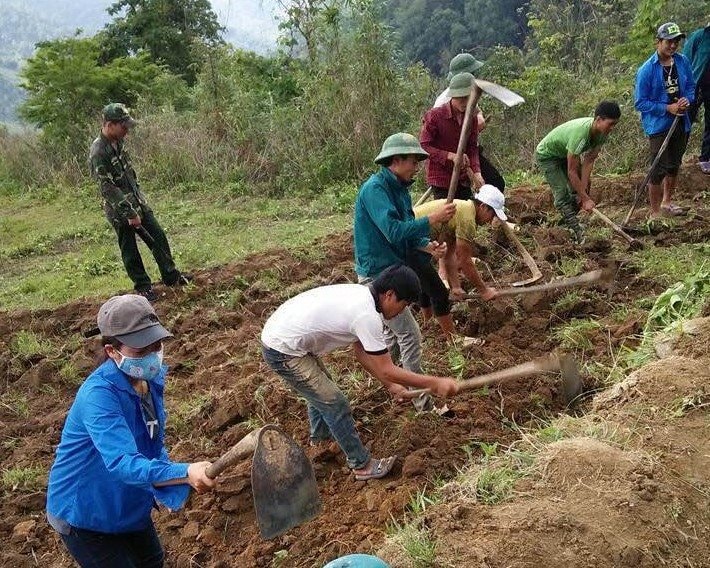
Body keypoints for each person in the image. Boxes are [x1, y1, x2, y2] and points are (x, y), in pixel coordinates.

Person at [46, 294, 216, 568]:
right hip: (86, 513)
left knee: (153, 562)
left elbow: (150, 442)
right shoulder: (99, 396)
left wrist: (177, 479)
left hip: (128, 501)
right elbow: (123, 462)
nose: (152, 356)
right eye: (140, 350)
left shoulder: (150, 379)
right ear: (112, 351)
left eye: (156, 345)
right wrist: (183, 472)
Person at [261, 265, 459, 481]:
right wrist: (434, 383)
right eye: (404, 304)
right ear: (389, 294)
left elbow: (361, 352)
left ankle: (321, 440)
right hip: (282, 349)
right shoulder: (366, 315)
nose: (403, 311)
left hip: (287, 337)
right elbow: (387, 369)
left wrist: (392, 386)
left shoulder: (362, 296)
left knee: (319, 390)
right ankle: (361, 465)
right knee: (335, 403)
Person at [353, 132, 455, 410]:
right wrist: (431, 219)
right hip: (378, 274)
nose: (417, 167)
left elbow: (408, 235)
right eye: (413, 161)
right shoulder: (375, 190)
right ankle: (422, 403)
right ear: (396, 160)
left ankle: (392, 386)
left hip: (393, 269)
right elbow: (393, 231)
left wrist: (427, 247)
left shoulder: (400, 188)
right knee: (409, 333)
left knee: (391, 335)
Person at [89, 103, 191, 302]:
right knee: (130, 249)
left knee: (158, 236)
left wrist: (139, 204)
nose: (127, 130)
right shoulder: (98, 152)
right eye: (123, 126)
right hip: (120, 211)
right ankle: (143, 287)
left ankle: (171, 276)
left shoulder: (118, 142)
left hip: (137, 202)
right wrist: (129, 213)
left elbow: (128, 175)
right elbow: (107, 188)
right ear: (109, 125)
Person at [535, 101, 621, 243]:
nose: (612, 128)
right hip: (547, 156)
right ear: (599, 120)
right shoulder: (581, 134)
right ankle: (576, 231)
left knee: (580, 190)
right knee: (562, 193)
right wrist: (586, 199)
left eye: (615, 125)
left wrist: (584, 193)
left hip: (563, 154)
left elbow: (589, 161)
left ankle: (565, 224)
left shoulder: (602, 132)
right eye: (610, 123)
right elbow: (572, 172)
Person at [635, 22, 696, 218]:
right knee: (657, 168)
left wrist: (687, 99)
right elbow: (640, 103)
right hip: (659, 126)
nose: (672, 46)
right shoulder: (646, 70)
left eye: (676, 41)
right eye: (669, 41)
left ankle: (667, 202)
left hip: (681, 122)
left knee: (674, 164)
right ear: (658, 42)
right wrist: (667, 108)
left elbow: (691, 87)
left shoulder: (682, 61)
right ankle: (654, 212)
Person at [414, 184, 506, 302]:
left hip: (416, 240)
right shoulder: (468, 220)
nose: (491, 220)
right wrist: (484, 290)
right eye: (492, 214)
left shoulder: (464, 209)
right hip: (408, 237)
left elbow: (449, 255)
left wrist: (456, 287)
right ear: (483, 207)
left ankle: (428, 319)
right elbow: (465, 261)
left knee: (425, 288)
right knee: (438, 293)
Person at [433, 52, 506, 192]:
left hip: (470, 150)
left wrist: (479, 117)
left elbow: (476, 111)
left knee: (494, 183)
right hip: (453, 157)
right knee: (491, 184)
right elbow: (434, 144)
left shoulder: (469, 93)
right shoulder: (442, 104)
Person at [421, 72, 484, 201]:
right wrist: (450, 156)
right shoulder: (434, 116)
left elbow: (472, 147)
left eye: (468, 97)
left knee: (464, 215)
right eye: (460, 97)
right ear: (453, 96)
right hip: (441, 178)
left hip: (462, 179)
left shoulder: (472, 118)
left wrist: (477, 172)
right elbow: (424, 146)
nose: (465, 102)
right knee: (446, 215)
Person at [683, 23, 710, 174]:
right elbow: (685, 59)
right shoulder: (700, 36)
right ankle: (675, 158)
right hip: (695, 85)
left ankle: (706, 158)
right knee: (686, 120)